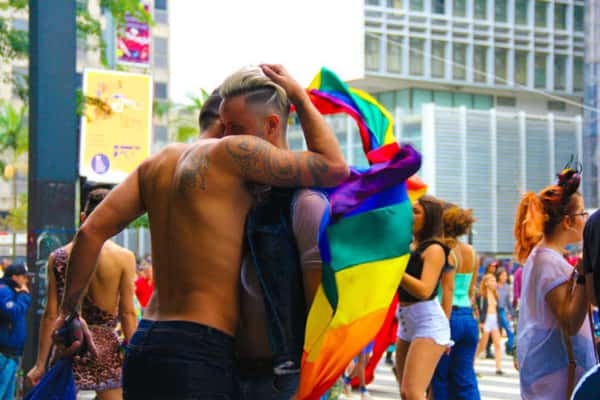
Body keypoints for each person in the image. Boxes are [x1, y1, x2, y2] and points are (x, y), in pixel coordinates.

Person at [50, 64, 349, 400]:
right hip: (200, 350)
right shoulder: (233, 153)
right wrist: (298, 95)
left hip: (146, 344)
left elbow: (90, 233)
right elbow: (335, 167)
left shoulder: (156, 163)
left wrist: (70, 312)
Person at [229, 68, 329, 399]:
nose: (226, 141)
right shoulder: (234, 196)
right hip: (229, 372)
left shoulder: (304, 204)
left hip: (283, 379)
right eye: (224, 129)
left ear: (271, 125)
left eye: (237, 130)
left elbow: (318, 314)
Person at [26, 188, 138, 400]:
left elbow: (50, 315)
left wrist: (40, 365)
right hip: (106, 351)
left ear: (83, 217)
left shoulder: (57, 257)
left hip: (68, 346)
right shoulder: (124, 258)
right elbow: (128, 314)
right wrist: (135, 356)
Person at [514, 168, 595, 399]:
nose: (586, 219)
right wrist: (582, 275)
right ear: (567, 222)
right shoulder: (548, 261)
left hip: (550, 370)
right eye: (582, 214)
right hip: (556, 377)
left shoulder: (544, 256)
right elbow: (569, 321)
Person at [394, 195, 452, 400]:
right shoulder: (409, 246)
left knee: (412, 392)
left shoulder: (434, 249)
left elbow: (425, 290)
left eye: (416, 212)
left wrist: (395, 271)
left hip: (427, 320)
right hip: (407, 320)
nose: (411, 215)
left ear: (430, 218)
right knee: (406, 391)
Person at [431, 205, 481, 400]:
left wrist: (443, 323)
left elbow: (447, 290)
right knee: (465, 377)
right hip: (468, 317)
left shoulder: (445, 252)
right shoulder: (473, 253)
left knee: (440, 377)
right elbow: (470, 290)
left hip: (447, 315)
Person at [0, 263, 31, 400]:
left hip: (11, 354)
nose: (26, 281)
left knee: (7, 395)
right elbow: (13, 312)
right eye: (24, 277)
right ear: (15, 277)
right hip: (4, 354)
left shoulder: (11, 292)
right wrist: (24, 295)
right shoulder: (4, 291)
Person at [475, 274, 504, 375]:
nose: (494, 283)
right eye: (492, 281)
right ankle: (472, 364)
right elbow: (479, 309)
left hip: (494, 320)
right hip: (486, 320)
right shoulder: (481, 295)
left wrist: (501, 325)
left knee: (497, 344)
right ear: (486, 283)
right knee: (482, 345)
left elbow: (497, 310)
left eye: (495, 281)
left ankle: (498, 368)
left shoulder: (495, 294)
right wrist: (481, 322)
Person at [495, 266, 515, 355]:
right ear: (498, 276)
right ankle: (488, 349)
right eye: (502, 275)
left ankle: (509, 346)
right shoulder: (494, 285)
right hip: (493, 311)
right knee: (494, 332)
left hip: (502, 311)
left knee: (509, 331)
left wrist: (511, 313)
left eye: (505, 276)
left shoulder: (507, 287)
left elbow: (508, 302)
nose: (504, 277)